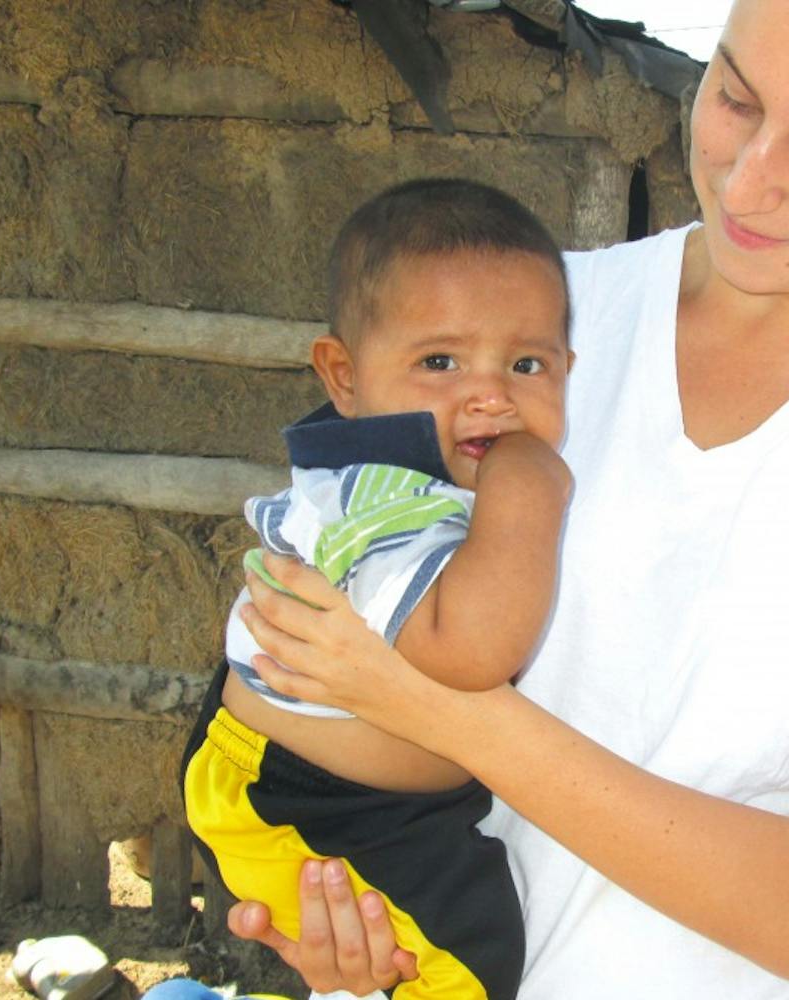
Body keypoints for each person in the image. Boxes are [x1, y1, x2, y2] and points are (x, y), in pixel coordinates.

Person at [227, 1, 789, 997]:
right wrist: (336, 888)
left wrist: (433, 705)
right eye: (735, 97)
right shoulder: (527, 330)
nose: (749, 179)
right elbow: (304, 620)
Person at [180, 178, 574, 1000]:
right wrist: (531, 494)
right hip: (313, 799)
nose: (492, 394)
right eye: (440, 361)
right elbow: (469, 655)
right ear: (344, 376)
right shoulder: (382, 494)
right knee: (469, 963)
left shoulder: (418, 482)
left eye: (527, 364)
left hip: (348, 794)